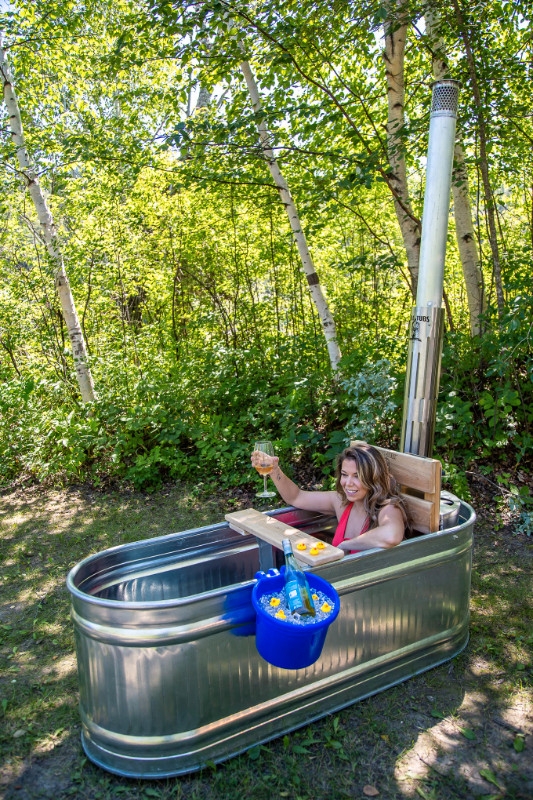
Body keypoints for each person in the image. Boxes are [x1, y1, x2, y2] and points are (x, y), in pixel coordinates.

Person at [250, 442, 410, 552]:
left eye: (357, 476)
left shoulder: (388, 508)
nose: (348, 483)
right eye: (344, 474)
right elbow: (296, 497)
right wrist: (274, 470)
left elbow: (391, 536)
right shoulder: (341, 502)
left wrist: (345, 545)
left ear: (373, 478)